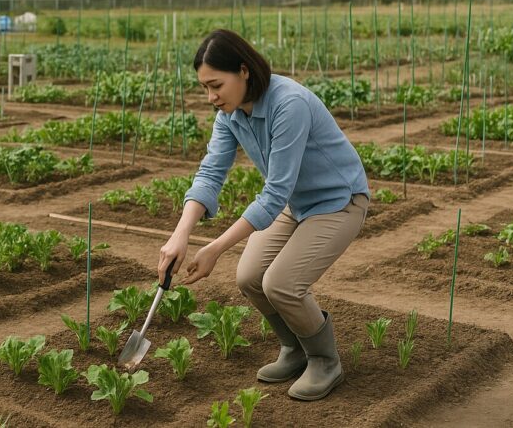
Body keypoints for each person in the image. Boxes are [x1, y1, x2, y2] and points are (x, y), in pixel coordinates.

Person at [158, 29, 369, 401]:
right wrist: (181, 234)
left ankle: (324, 360)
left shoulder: (289, 104)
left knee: (282, 284)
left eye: (216, 85)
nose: (211, 97)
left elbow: (274, 193)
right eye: (204, 88)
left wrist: (215, 247)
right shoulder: (230, 114)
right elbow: (210, 173)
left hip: (339, 201)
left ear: (244, 72)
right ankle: (295, 349)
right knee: (250, 276)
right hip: (297, 203)